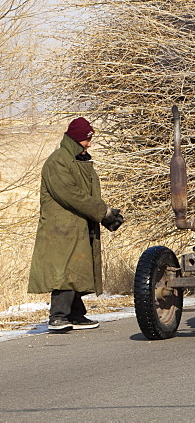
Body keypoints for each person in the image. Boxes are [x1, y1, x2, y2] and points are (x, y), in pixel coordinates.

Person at [28, 117, 124, 333]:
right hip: (61, 229)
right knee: (65, 271)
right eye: (85, 140)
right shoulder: (57, 162)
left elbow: (83, 195)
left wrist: (102, 215)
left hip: (78, 225)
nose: (89, 144)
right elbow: (72, 195)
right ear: (75, 139)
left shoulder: (76, 160)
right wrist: (103, 212)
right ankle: (58, 316)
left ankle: (75, 314)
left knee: (78, 269)